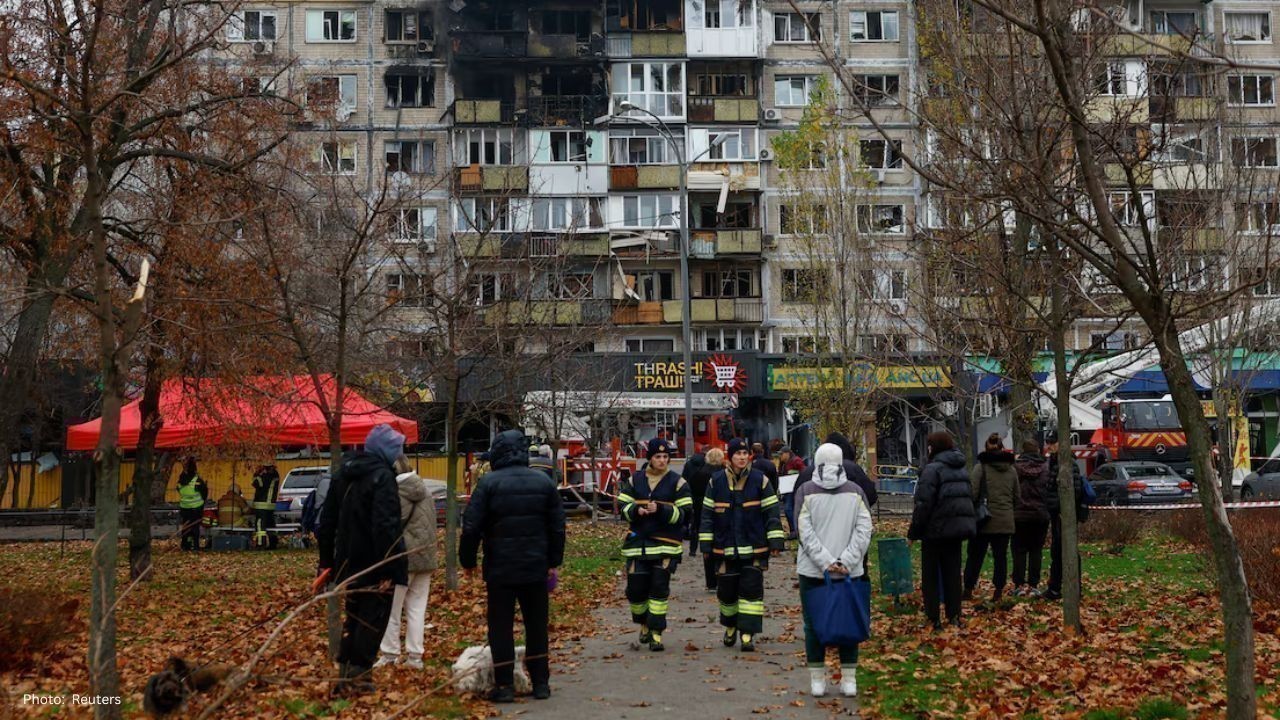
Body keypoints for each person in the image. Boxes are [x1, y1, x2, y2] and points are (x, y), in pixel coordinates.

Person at [460, 430, 566, 703]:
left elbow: (471, 527)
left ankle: (505, 684)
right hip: (535, 565)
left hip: (500, 567)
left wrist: (468, 561)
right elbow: (557, 527)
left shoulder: (488, 483)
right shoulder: (543, 482)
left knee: (500, 626)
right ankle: (541, 683)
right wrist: (554, 561)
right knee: (536, 625)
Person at [317, 424, 408, 697]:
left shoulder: (343, 474)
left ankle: (346, 676)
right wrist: (389, 568)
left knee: (354, 619)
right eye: (396, 450)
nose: (398, 455)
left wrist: (327, 562)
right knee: (372, 622)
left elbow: (327, 522)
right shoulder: (382, 477)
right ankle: (358, 679)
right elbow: (386, 527)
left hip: (348, 563)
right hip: (375, 563)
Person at [795, 443, 873, 698]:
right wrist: (846, 561)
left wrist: (826, 561)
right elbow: (864, 530)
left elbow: (803, 533)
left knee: (812, 624)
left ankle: (818, 679)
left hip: (813, 571)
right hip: (850, 571)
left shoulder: (805, 491)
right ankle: (848, 679)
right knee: (848, 620)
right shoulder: (856, 492)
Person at [699, 438, 785, 652]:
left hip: (754, 547)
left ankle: (747, 633)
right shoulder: (716, 481)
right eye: (737, 454)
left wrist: (775, 541)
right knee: (727, 595)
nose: (741, 457)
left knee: (751, 593)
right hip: (724, 548)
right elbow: (707, 515)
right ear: (730, 457)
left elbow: (772, 513)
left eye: (745, 453)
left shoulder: (760, 481)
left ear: (750, 456)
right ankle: (730, 626)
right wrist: (706, 544)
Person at [618, 438, 693, 652]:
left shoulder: (678, 482)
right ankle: (643, 623)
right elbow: (622, 504)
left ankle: (656, 633)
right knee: (635, 591)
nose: (662, 460)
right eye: (658, 456)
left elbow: (686, 514)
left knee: (659, 591)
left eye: (665, 457)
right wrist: (634, 511)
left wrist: (662, 510)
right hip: (637, 545)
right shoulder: (635, 480)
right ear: (649, 458)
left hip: (666, 546)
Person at [907, 431, 977, 630]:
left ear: (934, 447)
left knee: (931, 576)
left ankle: (933, 617)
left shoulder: (932, 470)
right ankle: (954, 615)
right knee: (953, 574)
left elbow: (924, 503)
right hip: (955, 531)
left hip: (934, 531)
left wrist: (914, 532)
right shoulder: (961, 469)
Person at [376, 455, 437, 670]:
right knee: (417, 609)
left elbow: (390, 525)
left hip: (403, 559)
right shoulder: (425, 490)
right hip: (426, 557)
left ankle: (390, 653)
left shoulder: (396, 494)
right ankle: (415, 657)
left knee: (392, 609)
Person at [793, 433, 878, 547]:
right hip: (849, 539)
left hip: (815, 544)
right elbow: (870, 496)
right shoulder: (853, 470)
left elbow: (798, 513)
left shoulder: (806, 475)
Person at [962, 433, 1019, 603]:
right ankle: (999, 590)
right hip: (1005, 520)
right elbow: (1017, 496)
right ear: (1002, 448)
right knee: (1000, 557)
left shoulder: (981, 468)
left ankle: (968, 588)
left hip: (983, 520)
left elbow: (972, 493)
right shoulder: (1011, 470)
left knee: (975, 556)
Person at [1044, 434, 1088, 601]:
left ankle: (1070, 587)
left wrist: (1056, 507)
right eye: (1048, 443)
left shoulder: (1067, 464)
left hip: (1064, 515)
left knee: (1067, 552)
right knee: (1057, 552)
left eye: (1052, 443)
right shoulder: (1055, 463)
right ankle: (1055, 587)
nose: (1049, 446)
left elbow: (1073, 491)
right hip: (1057, 514)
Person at [1012, 439, 1051, 597]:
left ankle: (1018, 584)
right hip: (1039, 514)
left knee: (1018, 550)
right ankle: (1034, 585)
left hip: (1019, 514)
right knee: (1036, 550)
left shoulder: (1015, 468)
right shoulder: (1045, 468)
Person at [697, 448, 726, 590]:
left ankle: (711, 582)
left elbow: (693, 491)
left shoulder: (700, 473)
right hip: (721, 512)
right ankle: (722, 575)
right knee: (721, 546)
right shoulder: (724, 474)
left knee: (706, 548)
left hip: (702, 512)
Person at [681, 449, 712, 558]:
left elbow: (684, 479)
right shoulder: (706, 467)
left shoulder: (689, 464)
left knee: (694, 524)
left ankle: (692, 550)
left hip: (693, 497)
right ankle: (706, 548)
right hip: (705, 497)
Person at [176, 457, 208, 552]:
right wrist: (202, 500)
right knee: (195, 527)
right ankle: (196, 546)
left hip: (184, 507)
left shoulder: (181, 480)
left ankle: (185, 545)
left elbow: (178, 489)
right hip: (196, 507)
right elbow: (204, 491)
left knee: (186, 527)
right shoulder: (197, 480)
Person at [250, 464, 281, 549]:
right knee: (270, 525)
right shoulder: (275, 474)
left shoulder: (264, 476)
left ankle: (260, 544)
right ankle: (273, 543)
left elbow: (256, 483)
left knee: (260, 526)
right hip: (270, 505)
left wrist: (256, 474)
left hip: (261, 505)